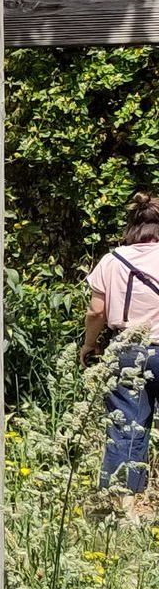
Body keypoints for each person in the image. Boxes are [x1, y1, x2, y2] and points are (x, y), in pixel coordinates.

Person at [84, 193, 159, 492]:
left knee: (125, 427)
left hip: (125, 351)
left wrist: (89, 345)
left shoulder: (111, 261)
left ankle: (120, 505)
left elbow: (96, 312)